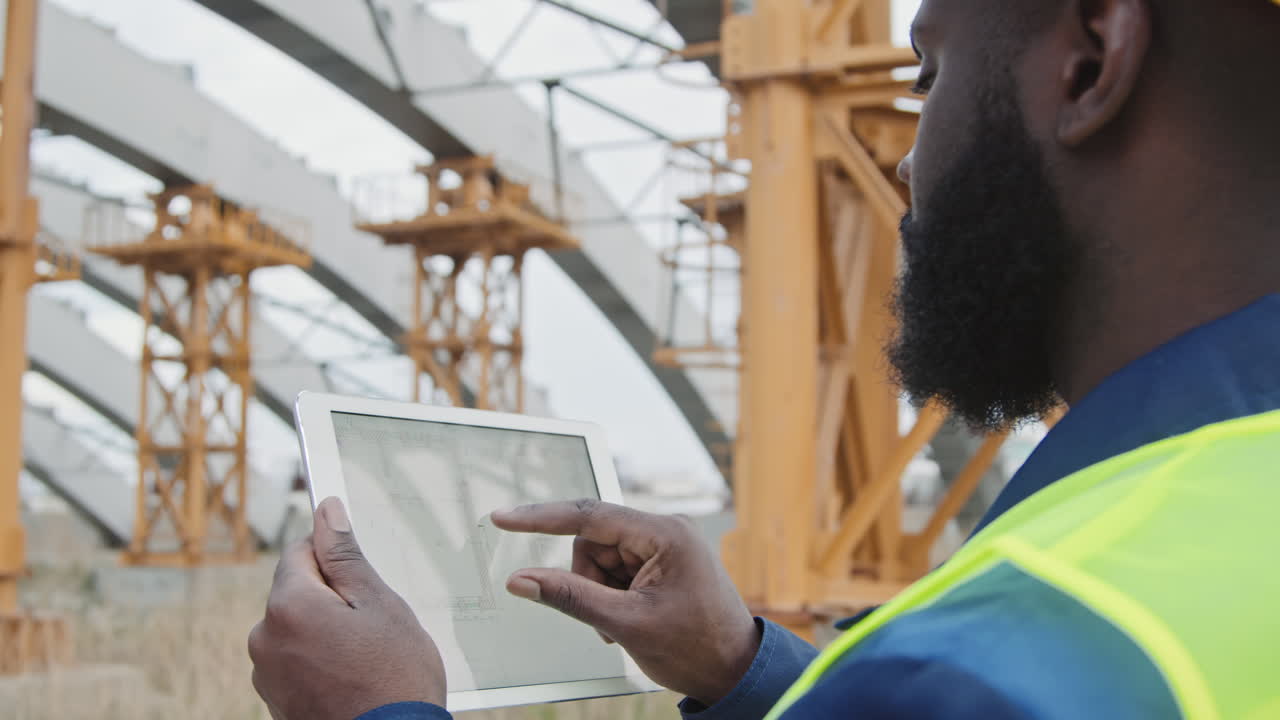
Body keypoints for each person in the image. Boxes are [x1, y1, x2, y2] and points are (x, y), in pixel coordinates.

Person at [248, 0, 1280, 717]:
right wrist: (742, 666)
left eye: (927, 73)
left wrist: (376, 713)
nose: (908, 156)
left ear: (1091, 58)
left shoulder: (1001, 661)